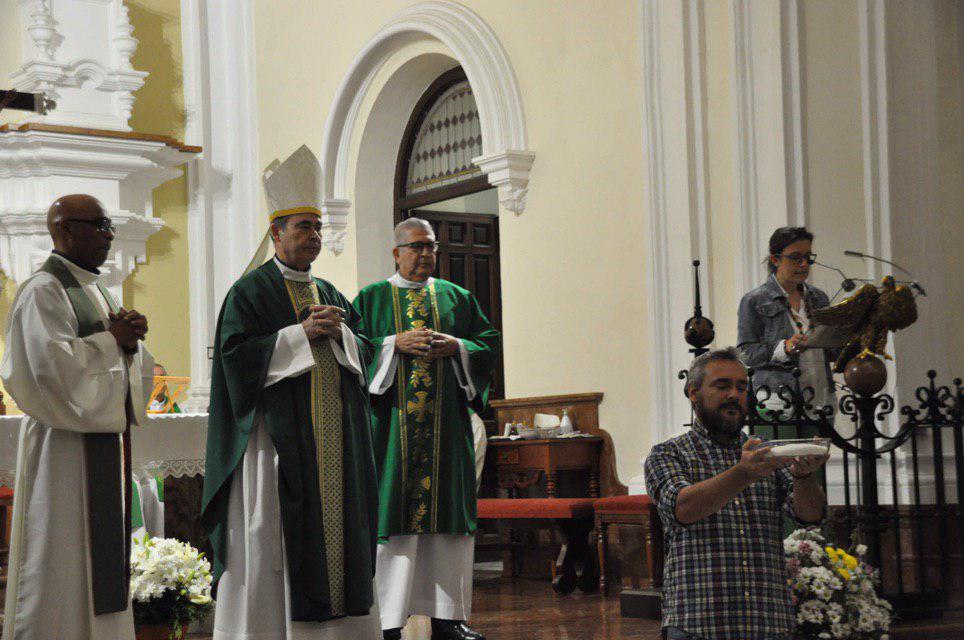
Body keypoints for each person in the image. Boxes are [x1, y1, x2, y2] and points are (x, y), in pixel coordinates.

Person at [201, 146, 380, 640]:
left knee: (341, 540)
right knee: (274, 540)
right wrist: (298, 335)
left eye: (318, 228)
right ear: (276, 232)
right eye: (304, 227)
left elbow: (365, 353)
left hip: (334, 447)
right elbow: (234, 362)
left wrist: (341, 336)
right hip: (276, 446)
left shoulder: (332, 292)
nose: (314, 237)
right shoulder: (250, 292)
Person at [1, 194, 153, 640]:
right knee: (61, 557)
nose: (109, 234)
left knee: (96, 563)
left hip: (100, 442)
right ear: (65, 229)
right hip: (62, 448)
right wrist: (113, 340)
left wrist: (131, 343)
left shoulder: (95, 288)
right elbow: (48, 372)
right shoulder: (43, 291)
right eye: (99, 224)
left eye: (109, 225)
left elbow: (117, 363)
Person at [353, 217, 501, 640]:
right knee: (393, 525)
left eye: (431, 247)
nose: (425, 255)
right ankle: (387, 622)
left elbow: (487, 343)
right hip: (392, 436)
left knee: (447, 526)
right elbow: (353, 350)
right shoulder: (371, 299)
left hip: (445, 434)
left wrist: (458, 347)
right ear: (396, 252)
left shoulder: (457, 298)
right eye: (416, 247)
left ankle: (448, 618)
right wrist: (391, 344)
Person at [644, 348, 828, 640]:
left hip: (767, 623)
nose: (734, 394)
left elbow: (809, 516)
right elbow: (683, 508)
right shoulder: (668, 454)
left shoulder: (768, 453)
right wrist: (743, 473)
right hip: (699, 624)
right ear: (693, 392)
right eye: (722, 385)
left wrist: (803, 476)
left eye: (741, 387)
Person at [737, 226, 834, 410]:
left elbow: (829, 350)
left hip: (822, 398)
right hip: (777, 399)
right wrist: (784, 347)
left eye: (808, 257)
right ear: (775, 259)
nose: (804, 264)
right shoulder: (754, 300)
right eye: (796, 258)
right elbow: (745, 355)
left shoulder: (819, 298)